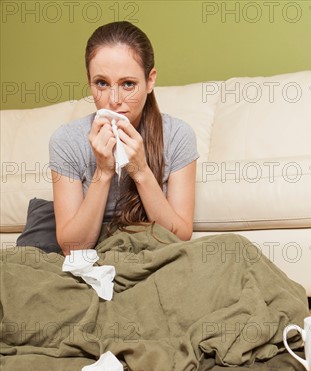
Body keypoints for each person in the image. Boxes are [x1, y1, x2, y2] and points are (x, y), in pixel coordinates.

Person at [49, 21, 199, 255]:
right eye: (101, 83)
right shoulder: (66, 140)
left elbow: (178, 238)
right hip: (95, 259)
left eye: (128, 84)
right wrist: (103, 172)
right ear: (89, 81)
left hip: (154, 255)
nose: (114, 99)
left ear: (150, 81)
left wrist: (140, 171)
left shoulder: (178, 136)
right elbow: (72, 248)